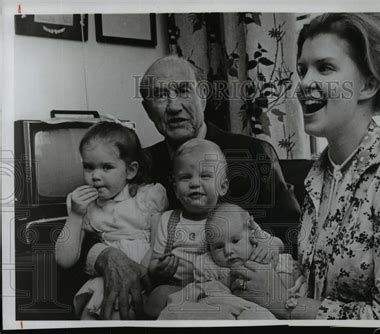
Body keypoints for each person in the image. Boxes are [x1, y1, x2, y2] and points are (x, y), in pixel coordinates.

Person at [229, 13, 380, 319]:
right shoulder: (319, 174)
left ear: (368, 85)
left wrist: (283, 301)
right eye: (302, 70)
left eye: (324, 68)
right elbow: (320, 283)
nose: (304, 83)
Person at [78, 55, 301, 319]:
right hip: (169, 301)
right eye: (160, 96)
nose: (173, 106)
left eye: (184, 90)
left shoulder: (251, 153)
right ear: (148, 110)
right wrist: (107, 256)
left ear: (203, 94)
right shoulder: (140, 164)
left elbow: (291, 229)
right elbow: (93, 217)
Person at [143, 139, 283, 318]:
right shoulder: (167, 220)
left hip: (226, 287)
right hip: (182, 288)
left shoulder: (231, 216)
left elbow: (276, 244)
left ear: (223, 186)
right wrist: (159, 269)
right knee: (157, 296)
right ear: (175, 188)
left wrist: (268, 245)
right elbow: (153, 263)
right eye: (186, 177)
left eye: (205, 176)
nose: (194, 183)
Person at [55, 121, 168, 319]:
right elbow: (64, 260)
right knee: (94, 315)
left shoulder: (149, 197)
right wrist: (75, 215)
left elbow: (159, 243)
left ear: (130, 170)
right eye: (88, 167)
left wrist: (142, 274)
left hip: (147, 277)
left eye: (107, 167)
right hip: (105, 280)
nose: (95, 176)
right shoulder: (84, 205)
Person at [157, 203, 295, 320]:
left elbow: (281, 257)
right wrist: (225, 283)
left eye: (235, 241)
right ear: (209, 248)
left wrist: (271, 248)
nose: (228, 251)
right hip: (227, 306)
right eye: (218, 246)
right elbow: (205, 292)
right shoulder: (208, 263)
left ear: (250, 233)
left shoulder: (259, 248)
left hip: (263, 304)